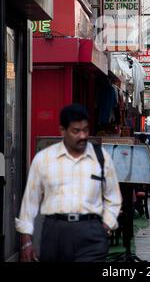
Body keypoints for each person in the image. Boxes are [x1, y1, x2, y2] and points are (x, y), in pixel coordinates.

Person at [15, 104, 122, 262]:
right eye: (76, 131)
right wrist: (26, 241)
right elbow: (30, 202)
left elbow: (113, 197)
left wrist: (105, 225)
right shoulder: (44, 159)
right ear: (62, 130)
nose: (82, 136)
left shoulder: (102, 158)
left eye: (85, 130)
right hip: (54, 233)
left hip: (91, 234)